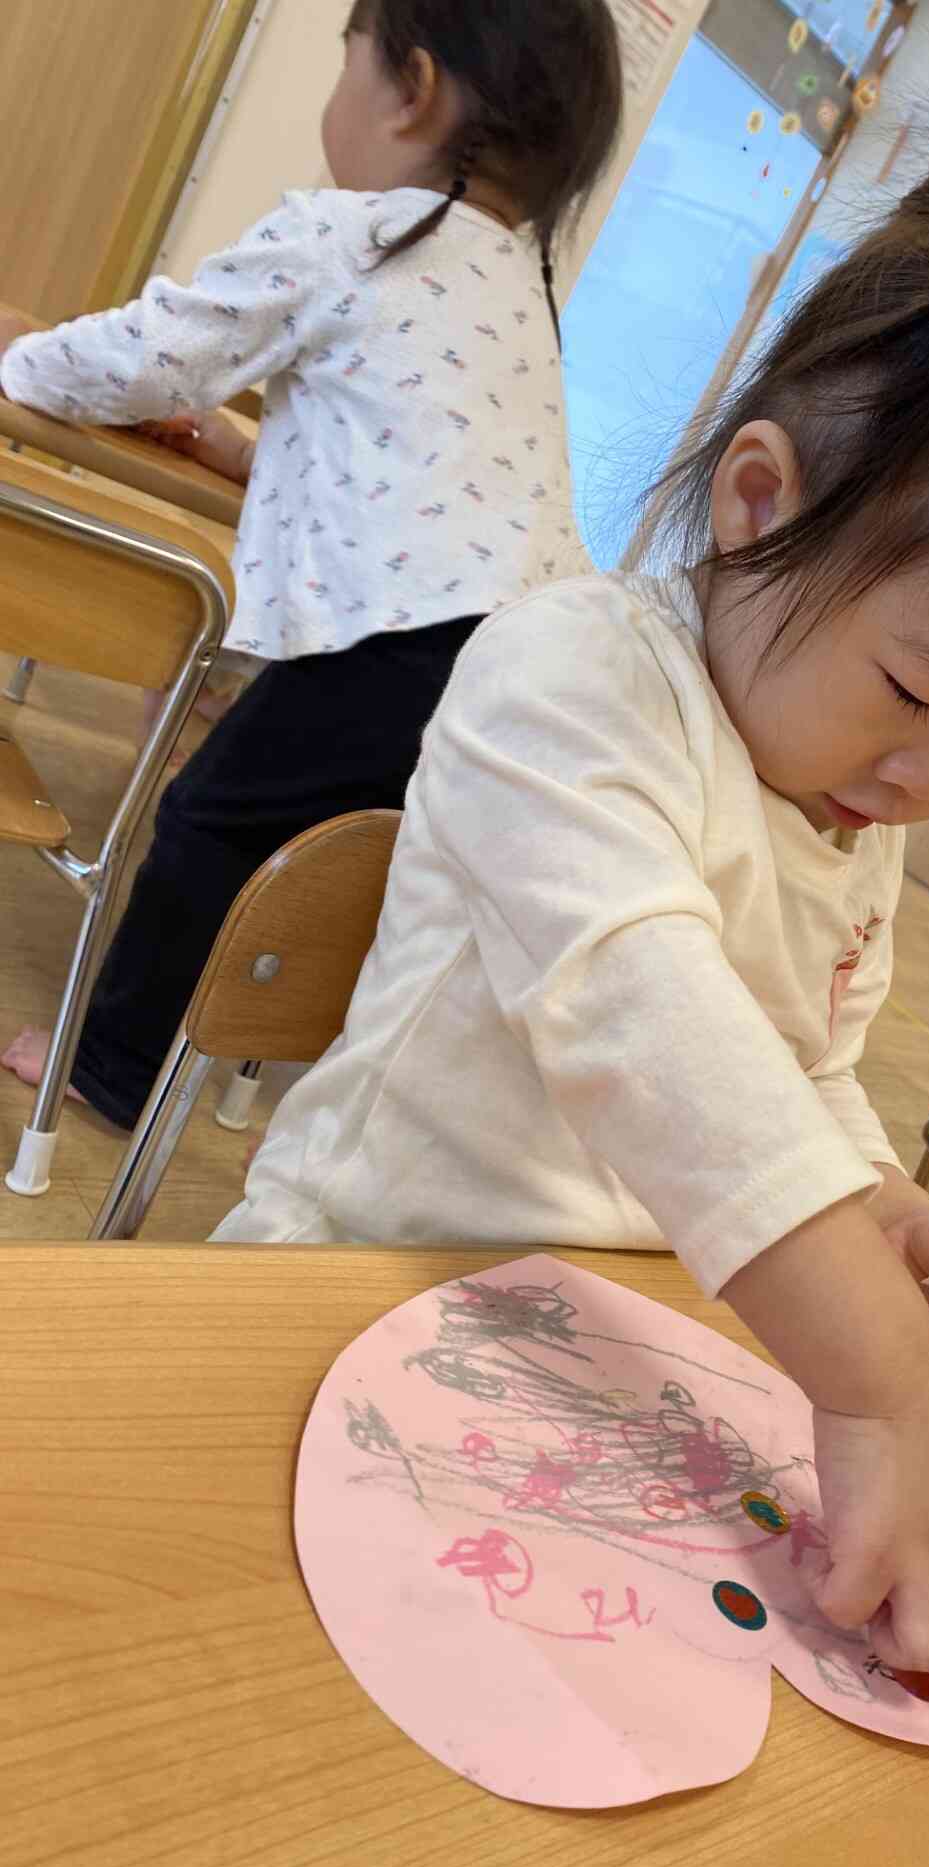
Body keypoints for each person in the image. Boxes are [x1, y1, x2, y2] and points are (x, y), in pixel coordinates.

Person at [214, 99, 929, 1678]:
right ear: (760, 502)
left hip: (593, 1351)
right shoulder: (574, 675)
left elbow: (806, 1066)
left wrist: (880, 1205)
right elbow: (651, 1021)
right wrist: (878, 1375)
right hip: (346, 1287)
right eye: (918, 691)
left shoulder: (847, 807)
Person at [0, 0, 623, 1130]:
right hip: (529, 657)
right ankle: (260, 1068)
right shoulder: (521, 289)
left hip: (400, 643)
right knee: (353, 866)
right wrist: (246, 452)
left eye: (349, 61)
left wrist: (21, 360)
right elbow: (413, 459)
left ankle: (112, 1068)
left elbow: (149, 355)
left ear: (412, 88)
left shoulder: (351, 235)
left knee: (209, 821)